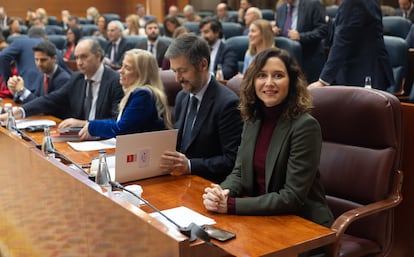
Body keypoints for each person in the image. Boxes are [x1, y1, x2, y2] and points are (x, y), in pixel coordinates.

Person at [202, 48, 334, 230]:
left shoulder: (305, 126)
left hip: (301, 224)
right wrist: (222, 193)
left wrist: (231, 205)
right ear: (253, 81)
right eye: (262, 75)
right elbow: (239, 172)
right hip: (261, 218)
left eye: (278, 75)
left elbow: (291, 197)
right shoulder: (253, 119)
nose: (269, 83)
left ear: (292, 82)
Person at [159, 34, 243, 183]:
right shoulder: (182, 97)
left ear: (203, 65)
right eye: (174, 71)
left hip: (208, 185)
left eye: (182, 71)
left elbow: (232, 160)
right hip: (179, 180)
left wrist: (190, 165)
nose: (177, 78)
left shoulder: (227, 104)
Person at [0, 39, 124, 128]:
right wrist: (19, 112)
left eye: (84, 57)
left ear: (98, 56)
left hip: (103, 141)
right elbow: (50, 100)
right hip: (78, 138)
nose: (79, 62)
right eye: (77, 57)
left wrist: (87, 124)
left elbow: (117, 121)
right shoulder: (78, 78)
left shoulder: (115, 81)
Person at [79, 49, 172, 140]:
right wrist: (89, 124)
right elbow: (120, 123)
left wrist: (92, 127)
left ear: (141, 74)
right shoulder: (140, 93)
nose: (120, 71)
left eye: (127, 68)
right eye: (122, 66)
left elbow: (122, 129)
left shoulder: (144, 95)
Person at [308, 0, 394, 91]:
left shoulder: (353, 2)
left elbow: (342, 41)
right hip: (371, 68)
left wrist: (323, 81)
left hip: (361, 73)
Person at [0, 26, 71, 92]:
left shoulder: (20, 42)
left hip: (24, 90)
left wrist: (7, 81)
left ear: (28, 36)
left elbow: (2, 56)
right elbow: (68, 72)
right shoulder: (54, 49)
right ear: (45, 37)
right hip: (47, 93)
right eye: (36, 59)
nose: (39, 63)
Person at [273, 0, 328, 83]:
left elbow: (322, 30)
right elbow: (279, 27)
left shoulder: (313, 4)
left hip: (309, 59)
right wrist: (276, 31)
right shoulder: (281, 8)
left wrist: (300, 36)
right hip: (287, 60)